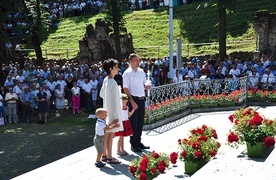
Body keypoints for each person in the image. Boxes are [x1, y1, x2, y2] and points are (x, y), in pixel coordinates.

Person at [122, 53, 151, 152]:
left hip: (141, 98)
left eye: (139, 60)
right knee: (133, 122)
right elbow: (125, 88)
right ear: (130, 62)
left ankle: (138, 141)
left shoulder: (141, 71)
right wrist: (132, 101)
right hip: (133, 99)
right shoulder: (127, 73)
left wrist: (146, 86)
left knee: (140, 122)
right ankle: (133, 143)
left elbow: (143, 84)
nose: (138, 62)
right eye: (136, 60)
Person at [100, 58, 123, 164]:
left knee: (107, 135)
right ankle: (109, 157)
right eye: (116, 67)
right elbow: (114, 101)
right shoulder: (112, 82)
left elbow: (101, 94)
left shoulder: (106, 80)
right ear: (111, 68)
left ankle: (104, 155)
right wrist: (116, 117)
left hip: (107, 111)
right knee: (110, 135)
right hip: (112, 112)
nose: (118, 69)